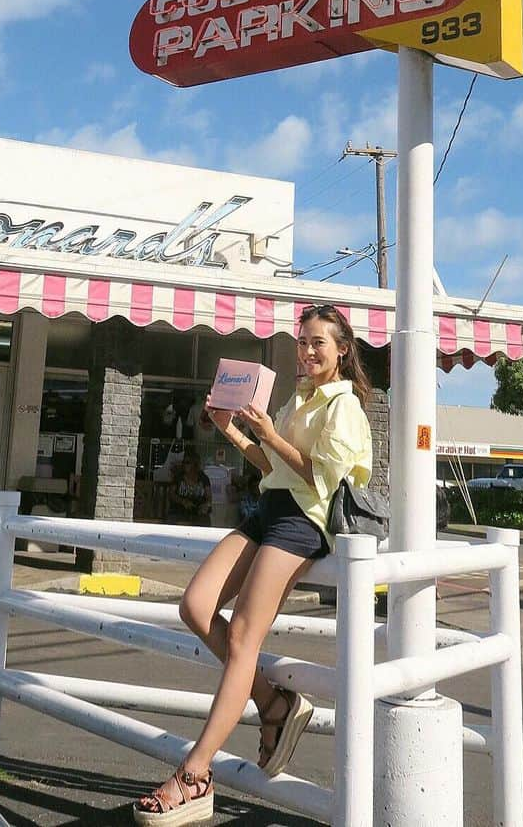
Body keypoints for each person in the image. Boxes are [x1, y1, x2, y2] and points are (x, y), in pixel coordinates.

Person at [133, 304, 373, 823]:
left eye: (319, 344)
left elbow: (321, 479)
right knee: (195, 606)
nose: (307, 352)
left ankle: (195, 773)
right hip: (268, 510)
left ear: (342, 350)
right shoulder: (298, 399)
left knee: (243, 637)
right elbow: (273, 466)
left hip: (303, 523)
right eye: (303, 342)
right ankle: (273, 702)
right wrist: (234, 431)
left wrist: (269, 432)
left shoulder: (343, 407)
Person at [168, 448, 212, 526]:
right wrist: (183, 501)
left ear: (195, 464)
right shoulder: (179, 476)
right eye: (184, 462)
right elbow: (171, 494)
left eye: (187, 462)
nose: (184, 465)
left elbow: (209, 496)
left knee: (204, 520)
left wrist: (206, 505)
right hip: (180, 509)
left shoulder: (203, 478)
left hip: (197, 510)